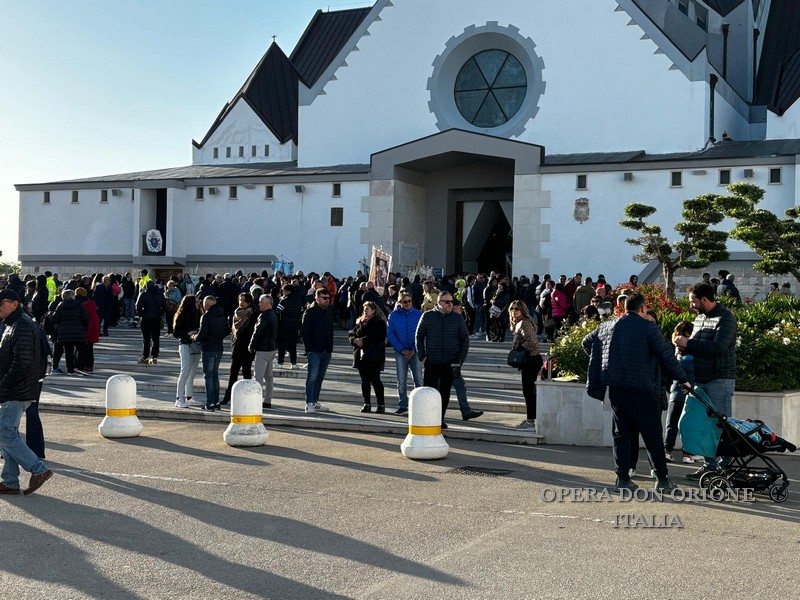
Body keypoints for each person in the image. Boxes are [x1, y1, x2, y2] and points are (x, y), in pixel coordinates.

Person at [582, 291, 688, 492]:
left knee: (620, 434)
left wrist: (605, 357)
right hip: (641, 388)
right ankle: (662, 480)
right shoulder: (648, 328)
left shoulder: (607, 326)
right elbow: (666, 356)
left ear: (624, 308)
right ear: (643, 308)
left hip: (616, 389)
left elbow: (586, 343)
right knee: (652, 435)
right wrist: (683, 379)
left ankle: (623, 479)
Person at [673, 282, 737, 481]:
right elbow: (697, 347)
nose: (691, 305)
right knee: (703, 424)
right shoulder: (699, 318)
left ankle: (725, 466)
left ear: (704, 300)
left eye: (693, 301)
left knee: (721, 424)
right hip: (700, 380)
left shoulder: (726, 318)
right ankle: (709, 466)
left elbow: (719, 347)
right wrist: (681, 348)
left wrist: (689, 343)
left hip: (720, 379)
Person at [0, 289, 53, 495]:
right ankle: (10, 481)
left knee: (4, 432)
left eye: (1, 303)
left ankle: (38, 469)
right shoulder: (14, 324)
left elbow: (22, 363)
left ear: (14, 303)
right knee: (8, 433)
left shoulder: (21, 325)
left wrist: (3, 384)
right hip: (16, 389)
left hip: (17, 390)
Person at [415, 290, 470, 429]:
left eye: (452, 301)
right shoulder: (428, 316)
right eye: (447, 302)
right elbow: (419, 336)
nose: (450, 304)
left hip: (450, 361)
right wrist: (422, 357)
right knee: (429, 391)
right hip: (431, 361)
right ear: (439, 303)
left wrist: (460, 359)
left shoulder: (457, 318)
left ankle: (440, 419)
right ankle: (428, 419)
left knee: (444, 393)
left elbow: (465, 339)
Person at [664, 321, 696, 464]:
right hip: (690, 390)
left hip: (676, 390)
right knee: (688, 424)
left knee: (672, 423)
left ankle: (667, 450)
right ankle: (687, 453)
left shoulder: (676, 350)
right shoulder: (692, 350)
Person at [387, 291, 423, 416]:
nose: (407, 304)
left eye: (409, 301)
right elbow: (391, 334)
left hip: (415, 351)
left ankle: (420, 404)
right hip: (400, 351)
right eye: (404, 301)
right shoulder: (393, 316)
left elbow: (421, 334)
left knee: (418, 379)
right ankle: (403, 404)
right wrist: (402, 349)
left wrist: (414, 349)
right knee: (401, 379)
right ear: (399, 302)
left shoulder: (419, 314)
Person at [509, 300, 542, 431]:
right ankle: (531, 418)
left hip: (531, 359)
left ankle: (531, 420)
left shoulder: (524, 323)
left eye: (517, 309)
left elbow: (533, 342)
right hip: (531, 360)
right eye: (512, 309)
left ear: (522, 310)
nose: (514, 311)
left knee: (528, 391)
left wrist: (519, 347)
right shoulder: (521, 322)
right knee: (528, 390)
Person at [350, 301, 387, 413]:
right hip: (361, 355)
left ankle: (381, 404)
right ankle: (367, 403)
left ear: (374, 311)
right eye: (364, 309)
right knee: (364, 380)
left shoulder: (379, 322)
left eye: (368, 309)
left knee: (375, 379)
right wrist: (354, 340)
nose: (365, 311)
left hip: (374, 354)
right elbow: (352, 333)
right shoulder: (360, 321)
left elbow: (376, 336)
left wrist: (363, 341)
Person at [193, 295, 229, 411]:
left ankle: (210, 402)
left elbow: (203, 334)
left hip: (208, 348)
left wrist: (194, 337)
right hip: (219, 347)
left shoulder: (206, 316)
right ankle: (216, 401)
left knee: (208, 376)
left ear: (207, 304)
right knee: (214, 375)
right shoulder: (221, 314)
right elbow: (227, 330)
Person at [301, 288, 334, 413]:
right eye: (324, 298)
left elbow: (330, 331)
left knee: (320, 377)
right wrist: (309, 349)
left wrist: (330, 348)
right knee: (312, 377)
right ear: (317, 298)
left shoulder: (328, 312)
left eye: (328, 298)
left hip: (326, 350)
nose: (327, 300)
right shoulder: (310, 312)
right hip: (314, 350)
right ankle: (309, 403)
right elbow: (305, 332)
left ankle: (315, 402)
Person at [221, 292, 256, 406]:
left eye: (244, 300)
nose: (241, 302)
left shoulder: (253, 314)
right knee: (233, 373)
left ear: (249, 302)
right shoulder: (237, 313)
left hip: (247, 348)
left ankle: (248, 397)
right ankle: (228, 396)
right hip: (236, 347)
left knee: (246, 373)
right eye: (240, 300)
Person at [49, 288, 89, 376]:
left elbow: (54, 319)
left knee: (68, 352)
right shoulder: (79, 305)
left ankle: (70, 370)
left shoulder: (61, 305)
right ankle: (80, 368)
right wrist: (84, 328)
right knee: (81, 350)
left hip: (64, 332)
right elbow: (85, 318)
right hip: (79, 331)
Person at [249, 293, 278, 410]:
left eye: (261, 302)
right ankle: (267, 400)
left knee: (258, 376)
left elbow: (257, 332)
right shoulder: (273, 314)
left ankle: (255, 401)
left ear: (267, 303)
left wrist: (251, 345)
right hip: (272, 348)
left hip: (263, 349)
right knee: (269, 376)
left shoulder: (264, 316)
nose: (259, 304)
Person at [173, 294, 202, 408]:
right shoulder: (182, 315)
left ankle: (189, 396)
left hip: (195, 344)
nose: (198, 303)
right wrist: (187, 333)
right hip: (185, 344)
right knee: (185, 371)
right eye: (196, 301)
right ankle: (179, 397)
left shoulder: (199, 313)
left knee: (192, 372)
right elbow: (176, 333)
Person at [135, 280, 165, 364]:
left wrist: (142, 314)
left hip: (146, 319)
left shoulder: (144, 294)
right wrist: (159, 314)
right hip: (156, 318)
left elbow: (138, 306)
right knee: (156, 338)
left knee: (146, 338)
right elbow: (164, 306)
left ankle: (145, 356)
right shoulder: (160, 294)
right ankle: (154, 356)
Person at [276, 284, 303, 369]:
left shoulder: (283, 301)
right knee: (292, 345)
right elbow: (300, 314)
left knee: (282, 345)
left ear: (288, 291)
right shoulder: (299, 301)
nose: (282, 292)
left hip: (283, 326)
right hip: (294, 326)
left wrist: (280, 322)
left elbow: (278, 314)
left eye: (284, 290)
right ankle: (293, 363)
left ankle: (280, 362)